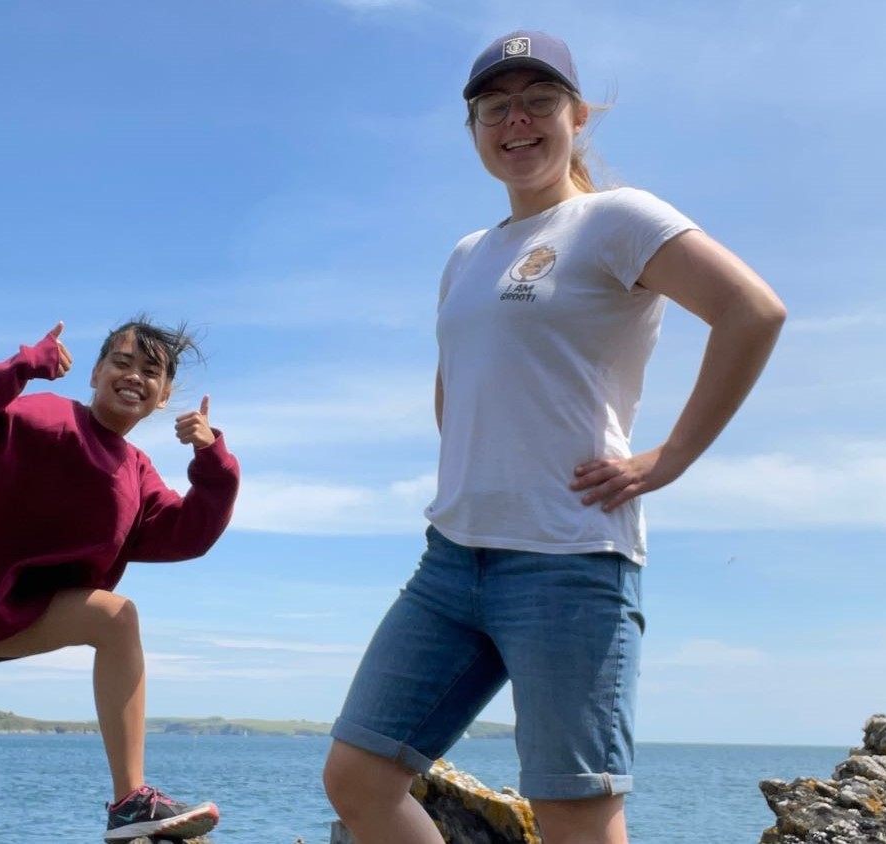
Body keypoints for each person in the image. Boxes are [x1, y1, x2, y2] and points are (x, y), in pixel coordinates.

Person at [322, 30, 786, 844]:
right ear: (472, 129)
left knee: (576, 814)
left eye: (539, 101)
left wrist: (668, 460)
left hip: (570, 561)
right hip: (451, 558)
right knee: (358, 779)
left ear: (577, 116)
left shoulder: (618, 218)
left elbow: (752, 311)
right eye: (494, 108)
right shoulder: (468, 253)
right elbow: (457, 383)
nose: (517, 122)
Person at [0, 317, 240, 844]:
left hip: (2, 613)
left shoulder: (138, 473)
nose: (134, 377)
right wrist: (20, 368)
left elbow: (188, 534)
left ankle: (130, 801)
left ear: (164, 396)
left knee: (116, 618)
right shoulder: (41, 416)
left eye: (151, 371)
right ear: (96, 371)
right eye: (122, 363)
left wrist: (212, 460)